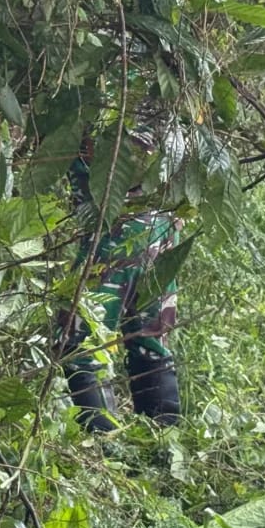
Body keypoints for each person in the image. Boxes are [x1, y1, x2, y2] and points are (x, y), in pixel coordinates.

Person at [60, 128, 182, 431]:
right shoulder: (166, 100)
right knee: (151, 336)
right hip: (162, 225)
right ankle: (162, 438)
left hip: (115, 229)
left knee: (79, 342)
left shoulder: (99, 98)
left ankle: (103, 444)